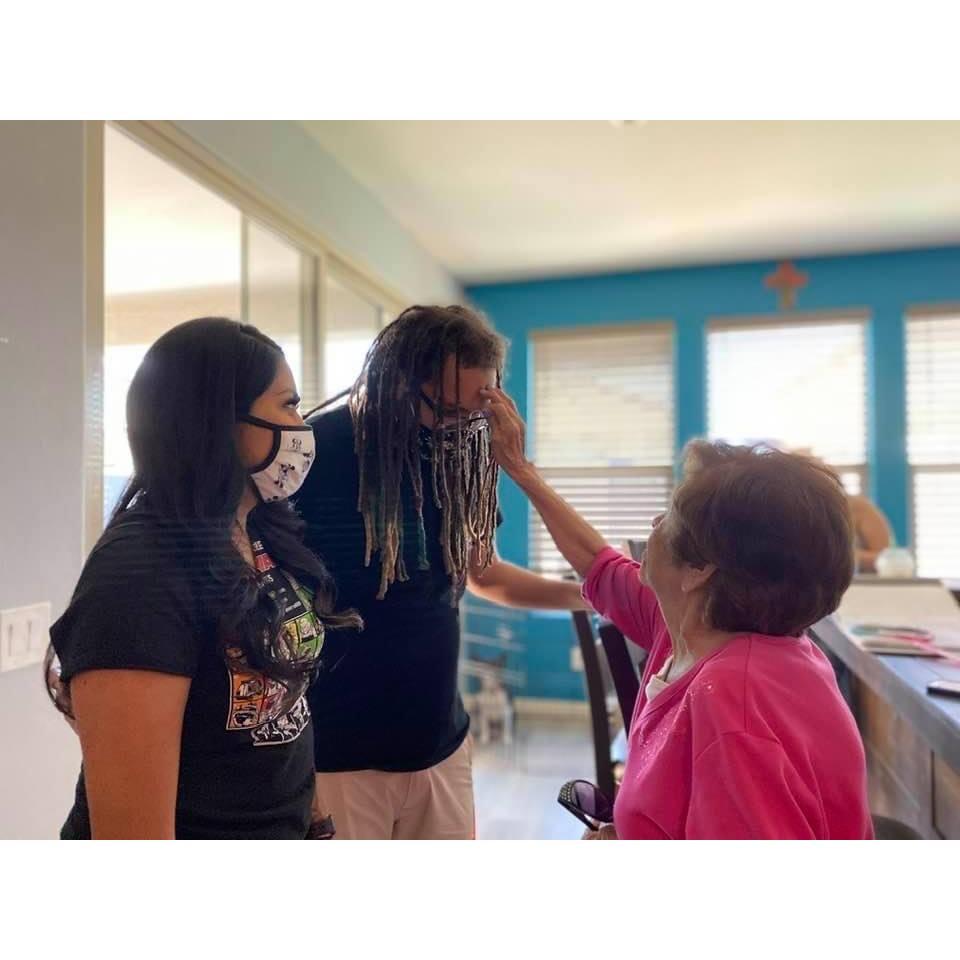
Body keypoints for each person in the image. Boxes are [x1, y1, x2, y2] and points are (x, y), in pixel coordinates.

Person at [480, 386, 873, 839]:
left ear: (699, 568)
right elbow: (597, 561)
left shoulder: (733, 709)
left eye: (669, 514)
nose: (652, 526)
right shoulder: (694, 623)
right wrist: (520, 470)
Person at [47, 317, 359, 839]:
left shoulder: (254, 531)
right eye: (286, 405)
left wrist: (318, 821)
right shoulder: (138, 577)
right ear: (219, 423)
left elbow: (288, 707)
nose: (302, 426)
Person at [296, 304, 587, 840]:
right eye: (450, 410)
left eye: (478, 411)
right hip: (337, 753)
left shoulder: (460, 453)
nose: (465, 426)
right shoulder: (317, 451)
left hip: (439, 745)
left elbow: (486, 574)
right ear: (397, 383)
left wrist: (593, 594)